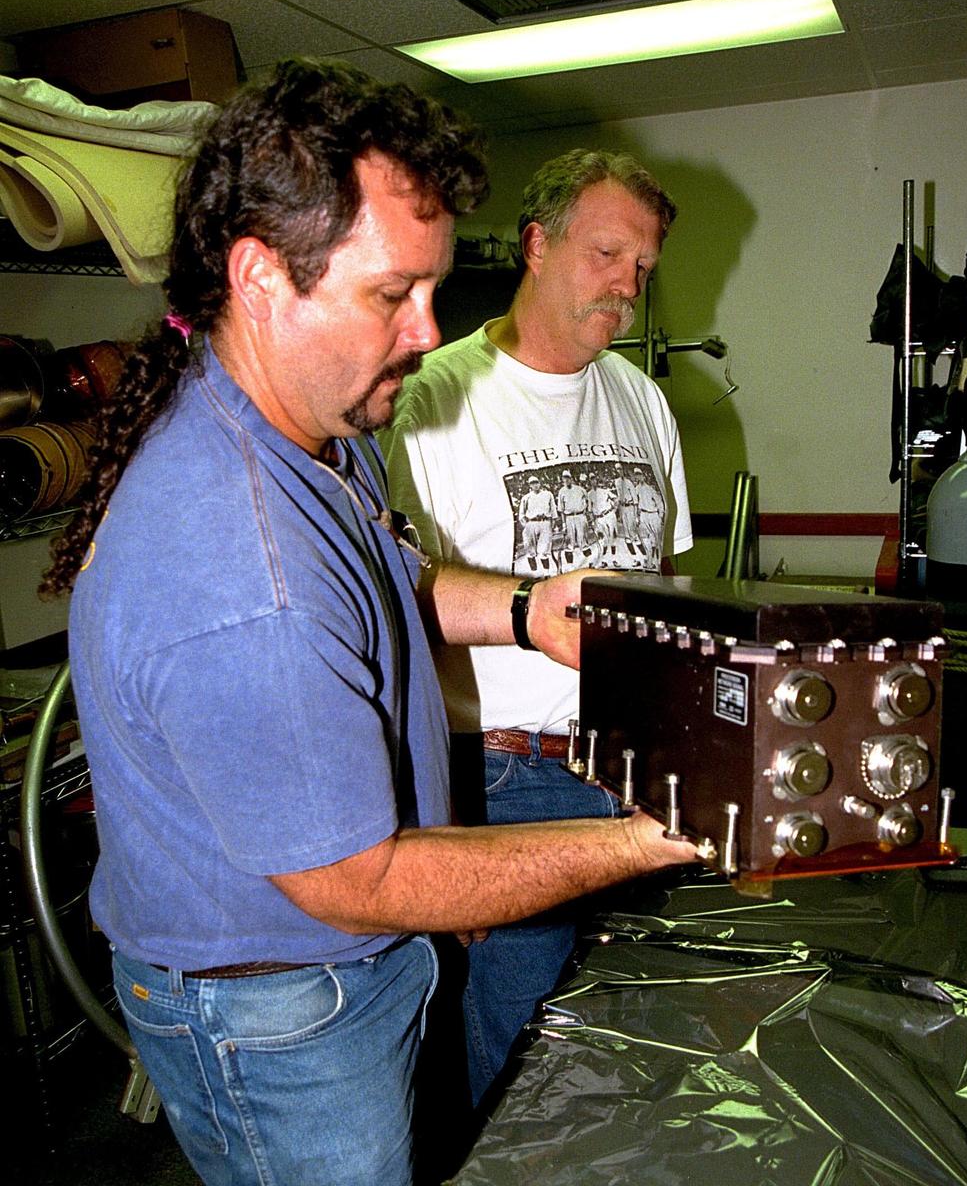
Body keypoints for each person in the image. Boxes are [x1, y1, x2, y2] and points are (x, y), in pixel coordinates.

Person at [40, 66, 697, 1186]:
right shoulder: (245, 569)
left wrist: (532, 609)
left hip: (338, 959)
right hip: (280, 1005)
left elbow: (384, 576)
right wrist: (672, 832)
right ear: (260, 277)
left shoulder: (307, 423)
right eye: (394, 294)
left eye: (432, 291)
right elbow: (362, 877)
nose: (427, 331)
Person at [380, 148, 693, 1111]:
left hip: (641, 762)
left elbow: (673, 590)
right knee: (527, 1067)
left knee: (646, 1037)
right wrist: (438, 821)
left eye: (642, 267)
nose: (626, 285)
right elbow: (397, 603)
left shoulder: (643, 400)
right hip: (511, 777)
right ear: (535, 244)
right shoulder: (433, 400)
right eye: (606, 253)